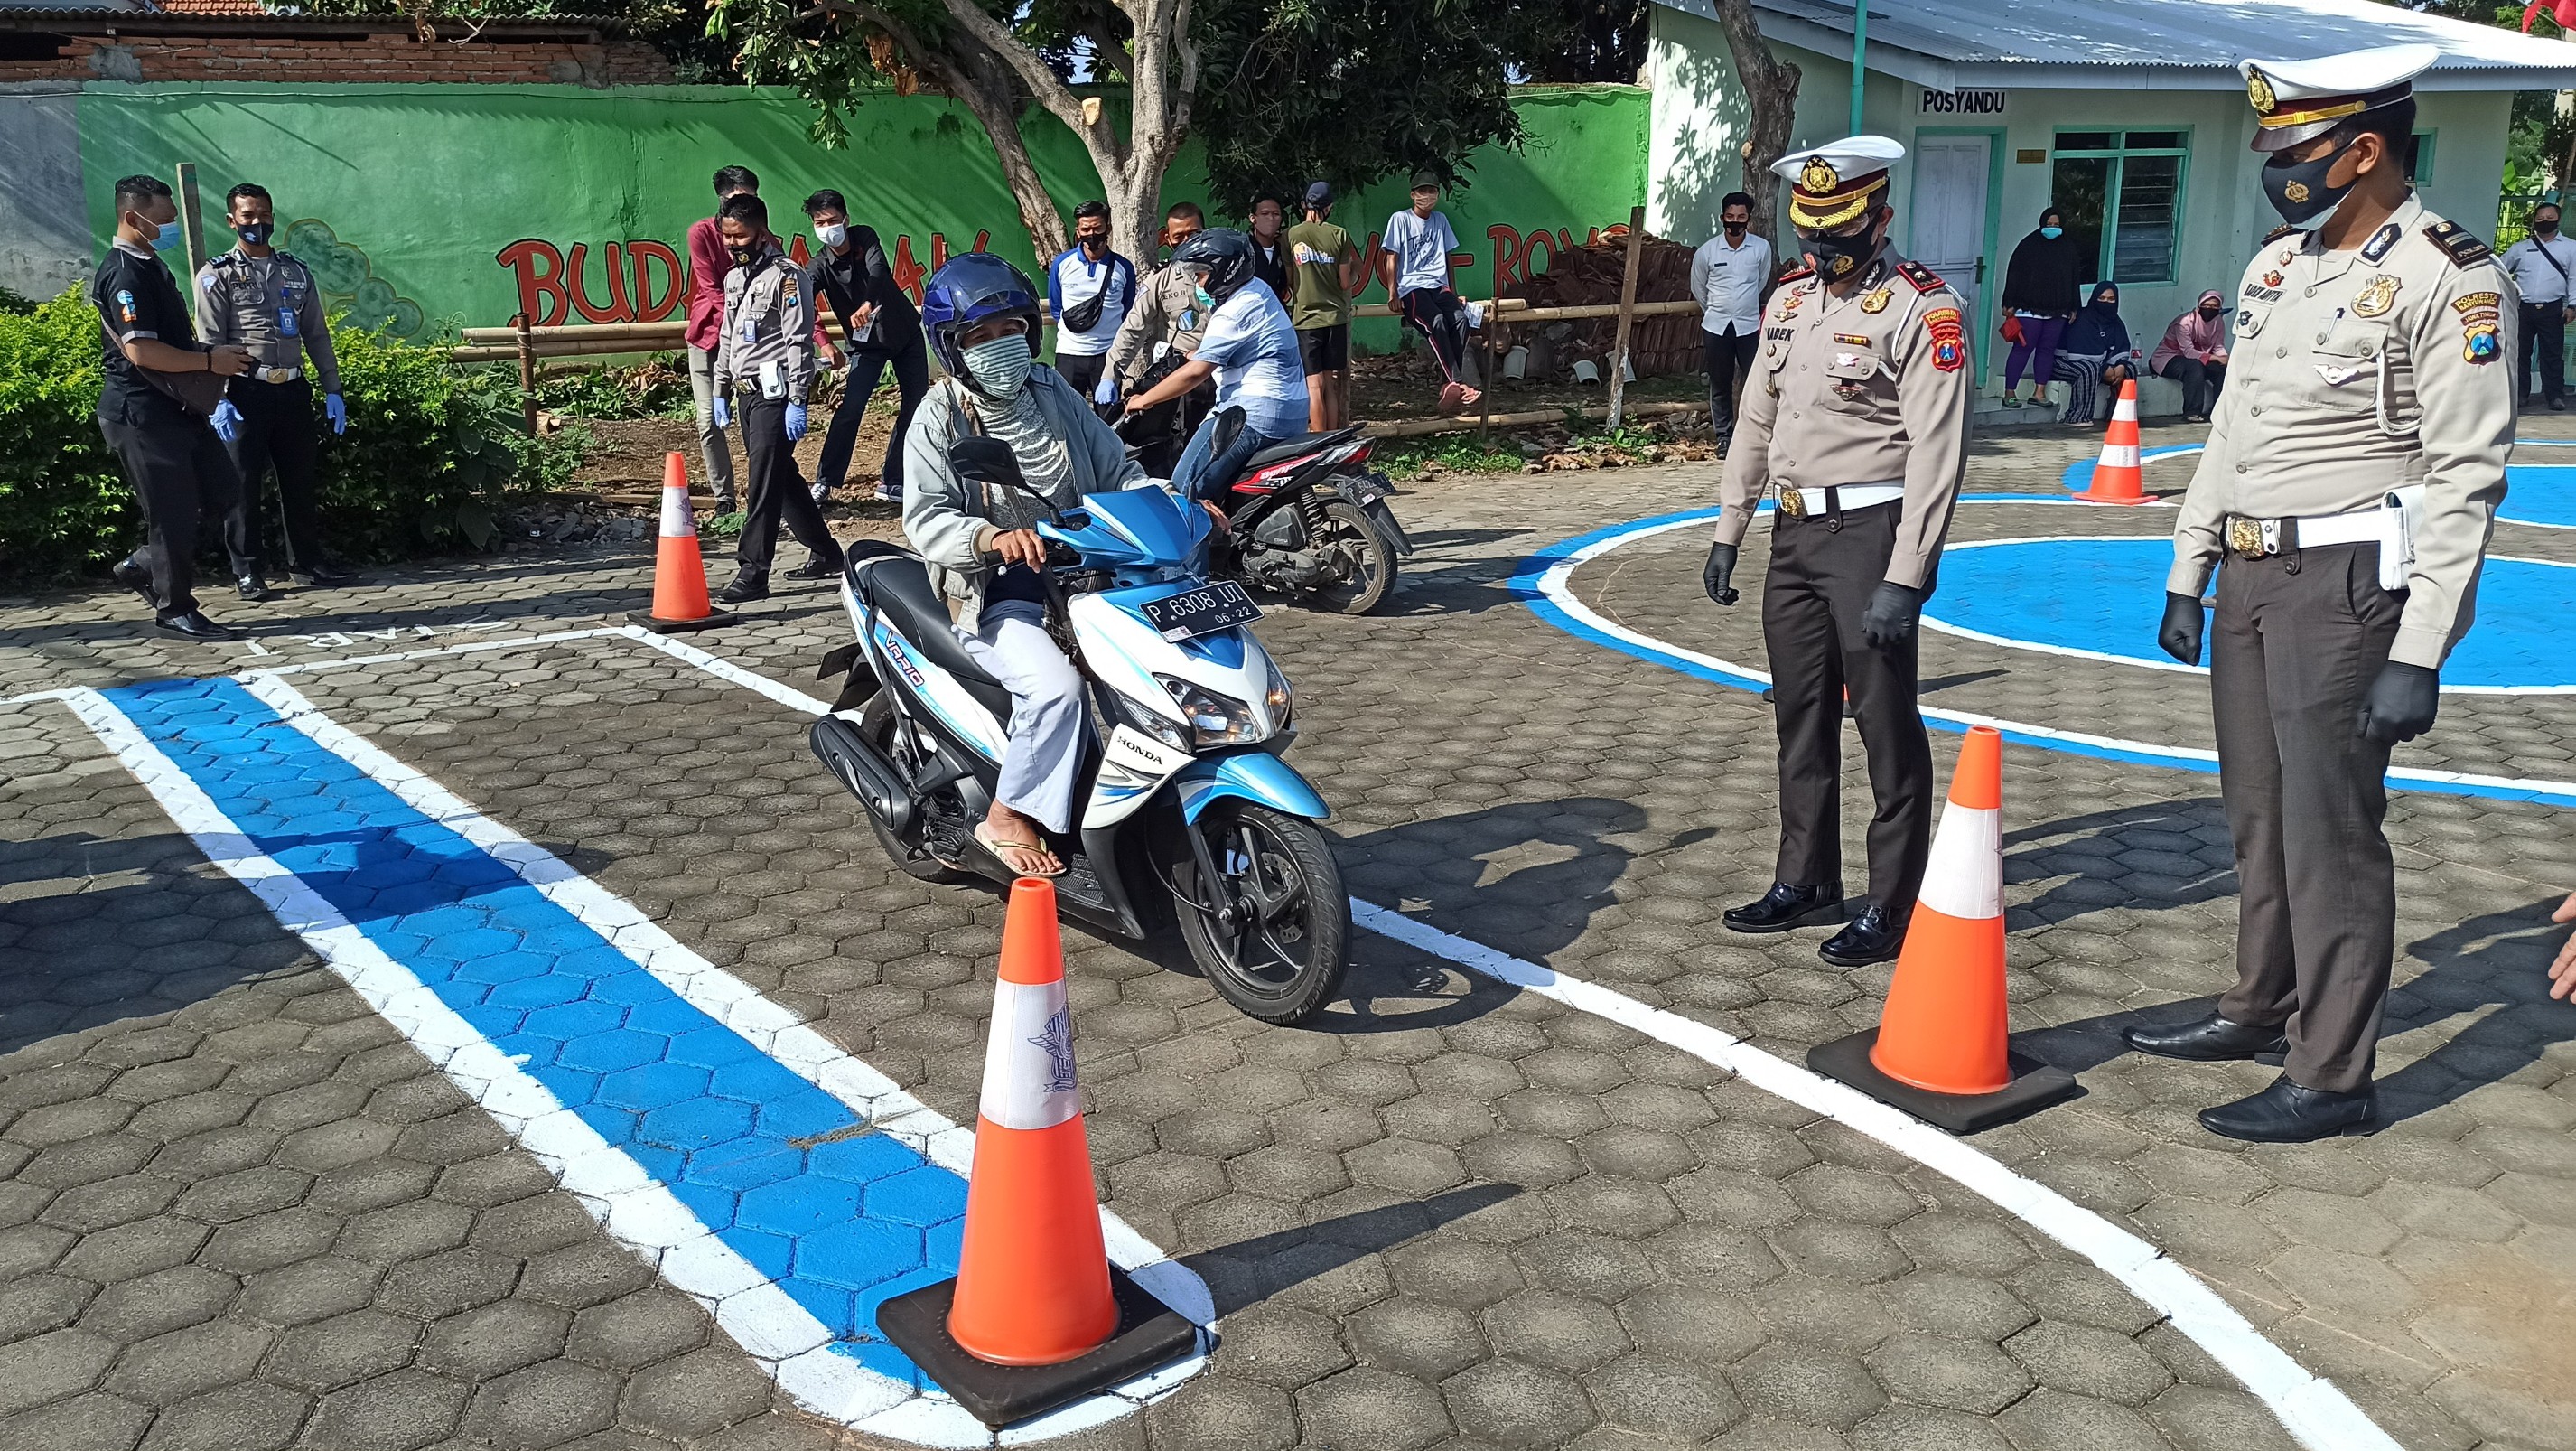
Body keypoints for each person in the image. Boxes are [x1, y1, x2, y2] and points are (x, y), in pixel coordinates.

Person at [2133, 43, 2515, 1143]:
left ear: (2361, 148)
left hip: (2346, 587)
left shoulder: (2452, 275)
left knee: (2329, 831)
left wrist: (2420, 647)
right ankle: (2259, 1003)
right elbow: (2228, 433)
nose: (2276, 171)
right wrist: (2188, 565)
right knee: (2258, 817)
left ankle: (2333, 1074)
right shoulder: (2273, 269)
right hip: (2251, 577)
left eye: (2293, 152)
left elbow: (2464, 475)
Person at [1700, 136, 1972, 968]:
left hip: (1870, 535)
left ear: (1880, 218)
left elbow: (1939, 450)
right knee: (1800, 718)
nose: (1824, 250)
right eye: (1813, 233)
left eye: (1841, 233)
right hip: (1793, 535)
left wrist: (1906, 574)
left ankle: (1893, 901)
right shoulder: (1788, 300)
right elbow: (1756, 420)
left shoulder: (1923, 310)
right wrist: (1728, 528)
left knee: (1884, 722)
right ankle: (1805, 878)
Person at [903, 253, 1162, 878]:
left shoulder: (1051, 391)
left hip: (1084, 577)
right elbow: (926, 518)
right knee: (1058, 690)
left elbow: (1116, 467)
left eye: (1010, 330)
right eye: (980, 337)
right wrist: (992, 538)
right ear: (952, 348)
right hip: (996, 590)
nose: (1001, 346)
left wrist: (1169, 501)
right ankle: (1004, 816)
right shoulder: (936, 417)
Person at [91, 174, 253, 641]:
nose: (172, 227)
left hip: (177, 407)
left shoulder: (150, 263)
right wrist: (209, 359)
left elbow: (169, 339)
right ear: (133, 217)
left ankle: (143, 565)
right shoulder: (123, 272)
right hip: (141, 412)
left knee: (222, 491)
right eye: (165, 219)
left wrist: (217, 357)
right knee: (172, 514)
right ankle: (174, 609)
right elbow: (141, 350)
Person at [193, 182, 352, 601]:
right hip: (246, 390)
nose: (257, 223)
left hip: (293, 388)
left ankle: (308, 563)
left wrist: (332, 388)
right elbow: (208, 341)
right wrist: (218, 397)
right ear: (232, 220)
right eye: (248, 215)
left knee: (299, 481)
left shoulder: (295, 271)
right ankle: (247, 571)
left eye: (264, 214)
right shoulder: (217, 275)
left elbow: (317, 334)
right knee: (242, 486)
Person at [710, 192, 844, 604]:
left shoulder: (787, 277)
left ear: (761, 231)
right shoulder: (734, 279)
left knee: (762, 484)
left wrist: (799, 398)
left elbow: (799, 340)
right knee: (782, 479)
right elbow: (728, 337)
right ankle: (826, 552)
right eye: (728, 236)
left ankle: (753, 572)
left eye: (741, 236)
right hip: (747, 395)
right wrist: (720, 388)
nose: (734, 244)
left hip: (778, 396)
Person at [1124, 229, 1310, 510]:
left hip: (1251, 415)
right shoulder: (1259, 291)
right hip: (1290, 412)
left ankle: (1195, 553)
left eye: (1201, 275)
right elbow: (1248, 345)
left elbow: (1195, 373)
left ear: (1225, 271)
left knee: (1184, 492)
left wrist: (1144, 401)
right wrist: (1200, 353)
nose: (1198, 284)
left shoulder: (1233, 310)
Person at [801, 188, 928, 506]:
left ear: (846, 219)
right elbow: (802, 306)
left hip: (905, 333)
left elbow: (879, 272)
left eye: (832, 219)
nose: (828, 227)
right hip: (866, 346)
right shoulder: (818, 267)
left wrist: (868, 302)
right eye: (820, 222)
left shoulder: (864, 237)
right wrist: (823, 342)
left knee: (914, 405)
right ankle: (826, 482)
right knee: (851, 409)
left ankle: (893, 480)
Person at [1105, 202, 1212, 476]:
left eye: (1194, 233)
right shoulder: (1161, 282)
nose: (1188, 242)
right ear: (1168, 238)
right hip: (1179, 380)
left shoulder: (1226, 274)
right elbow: (1133, 329)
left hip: (1225, 376)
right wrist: (1110, 375)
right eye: (1180, 237)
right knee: (1177, 453)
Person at [686, 165, 757, 514]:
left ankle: (762, 491)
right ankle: (724, 497)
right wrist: (738, 317)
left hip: (750, 343)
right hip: (708, 337)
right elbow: (711, 286)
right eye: (737, 198)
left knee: (754, 421)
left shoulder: (765, 240)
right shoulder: (701, 233)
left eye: (750, 198)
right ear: (721, 198)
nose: (743, 206)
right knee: (707, 420)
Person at [1382, 171, 1481, 415]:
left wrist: (1454, 292)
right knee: (1435, 321)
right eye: (1422, 191)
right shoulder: (1400, 219)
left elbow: (1448, 258)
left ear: (1437, 194)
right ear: (1413, 194)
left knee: (1459, 319)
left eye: (1432, 191)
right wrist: (1393, 293)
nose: (1427, 196)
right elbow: (1391, 257)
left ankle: (1450, 382)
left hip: (1438, 285)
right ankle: (1459, 382)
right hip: (1412, 288)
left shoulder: (1440, 220)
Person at [1689, 191, 1773, 454]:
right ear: (1722, 218)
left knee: (1757, 382)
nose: (1735, 221)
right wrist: (1715, 310)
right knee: (1720, 383)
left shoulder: (1761, 249)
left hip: (1749, 327)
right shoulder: (1707, 252)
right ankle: (1724, 438)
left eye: (1741, 217)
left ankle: (1754, 436)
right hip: (1716, 326)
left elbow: (1761, 282)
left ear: (1748, 218)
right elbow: (1698, 288)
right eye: (1730, 216)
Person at [1287, 182, 1365, 432]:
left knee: (1313, 386)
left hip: (1306, 320)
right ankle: (1332, 437)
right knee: (1329, 385)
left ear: (1303, 205)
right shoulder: (1339, 235)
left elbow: (1290, 280)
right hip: (1335, 318)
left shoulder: (1291, 235)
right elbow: (1345, 282)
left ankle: (1316, 443)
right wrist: (1353, 271)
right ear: (1329, 207)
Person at [1043, 201, 1135, 399]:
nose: (1092, 234)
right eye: (1086, 229)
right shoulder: (1061, 264)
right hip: (1069, 354)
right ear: (1078, 231)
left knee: (1108, 417)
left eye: (1097, 228)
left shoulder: (1124, 267)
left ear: (1108, 228)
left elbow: (1127, 309)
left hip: (1108, 356)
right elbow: (1056, 306)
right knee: (1068, 417)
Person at [2000, 208, 2084, 409]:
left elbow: (2074, 280)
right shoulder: (2027, 246)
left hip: (2058, 311)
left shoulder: (2068, 248)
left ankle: (2039, 392)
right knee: (2023, 349)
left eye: (2057, 225)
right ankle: (2010, 392)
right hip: (2029, 310)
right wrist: (2008, 302)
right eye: (2049, 225)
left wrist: (2074, 306)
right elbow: (2014, 275)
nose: (2053, 228)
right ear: (2041, 224)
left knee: (2046, 351)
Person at [2499, 201, 2576, 411]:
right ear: (2534, 220)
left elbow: (2574, 278)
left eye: (2550, 218)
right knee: (2519, 353)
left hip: (2552, 309)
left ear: (2558, 220)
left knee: (2551, 354)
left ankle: (2555, 396)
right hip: (2522, 309)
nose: (2544, 222)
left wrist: (2573, 306)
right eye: (2540, 218)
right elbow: (2499, 269)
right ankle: (2520, 394)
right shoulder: (2521, 248)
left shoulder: (2570, 247)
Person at [2052, 282, 2139, 425]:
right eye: (2102, 298)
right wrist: (2104, 368)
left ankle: (2119, 415)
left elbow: (2121, 346)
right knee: (2089, 369)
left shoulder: (2116, 322)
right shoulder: (2082, 318)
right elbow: (2078, 354)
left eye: (2111, 299)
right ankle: (2077, 417)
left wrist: (2121, 365)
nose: (2106, 303)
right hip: (2064, 362)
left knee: (2129, 369)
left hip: (2101, 365)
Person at [2151, 292, 2232, 423]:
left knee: (2222, 369)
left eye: (2214, 306)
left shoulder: (2218, 322)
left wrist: (2224, 358)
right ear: (2199, 305)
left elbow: (2218, 346)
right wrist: (2216, 358)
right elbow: (2189, 352)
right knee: (2194, 366)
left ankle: (2219, 411)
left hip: (2200, 359)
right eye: (2206, 305)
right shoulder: (2184, 323)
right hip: (2168, 359)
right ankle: (2192, 412)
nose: (2210, 309)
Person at [1247, 192, 1292, 299]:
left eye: (1276, 214)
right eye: (1265, 213)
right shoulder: (1243, 249)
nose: (1271, 218)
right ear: (1253, 218)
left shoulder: (1283, 252)